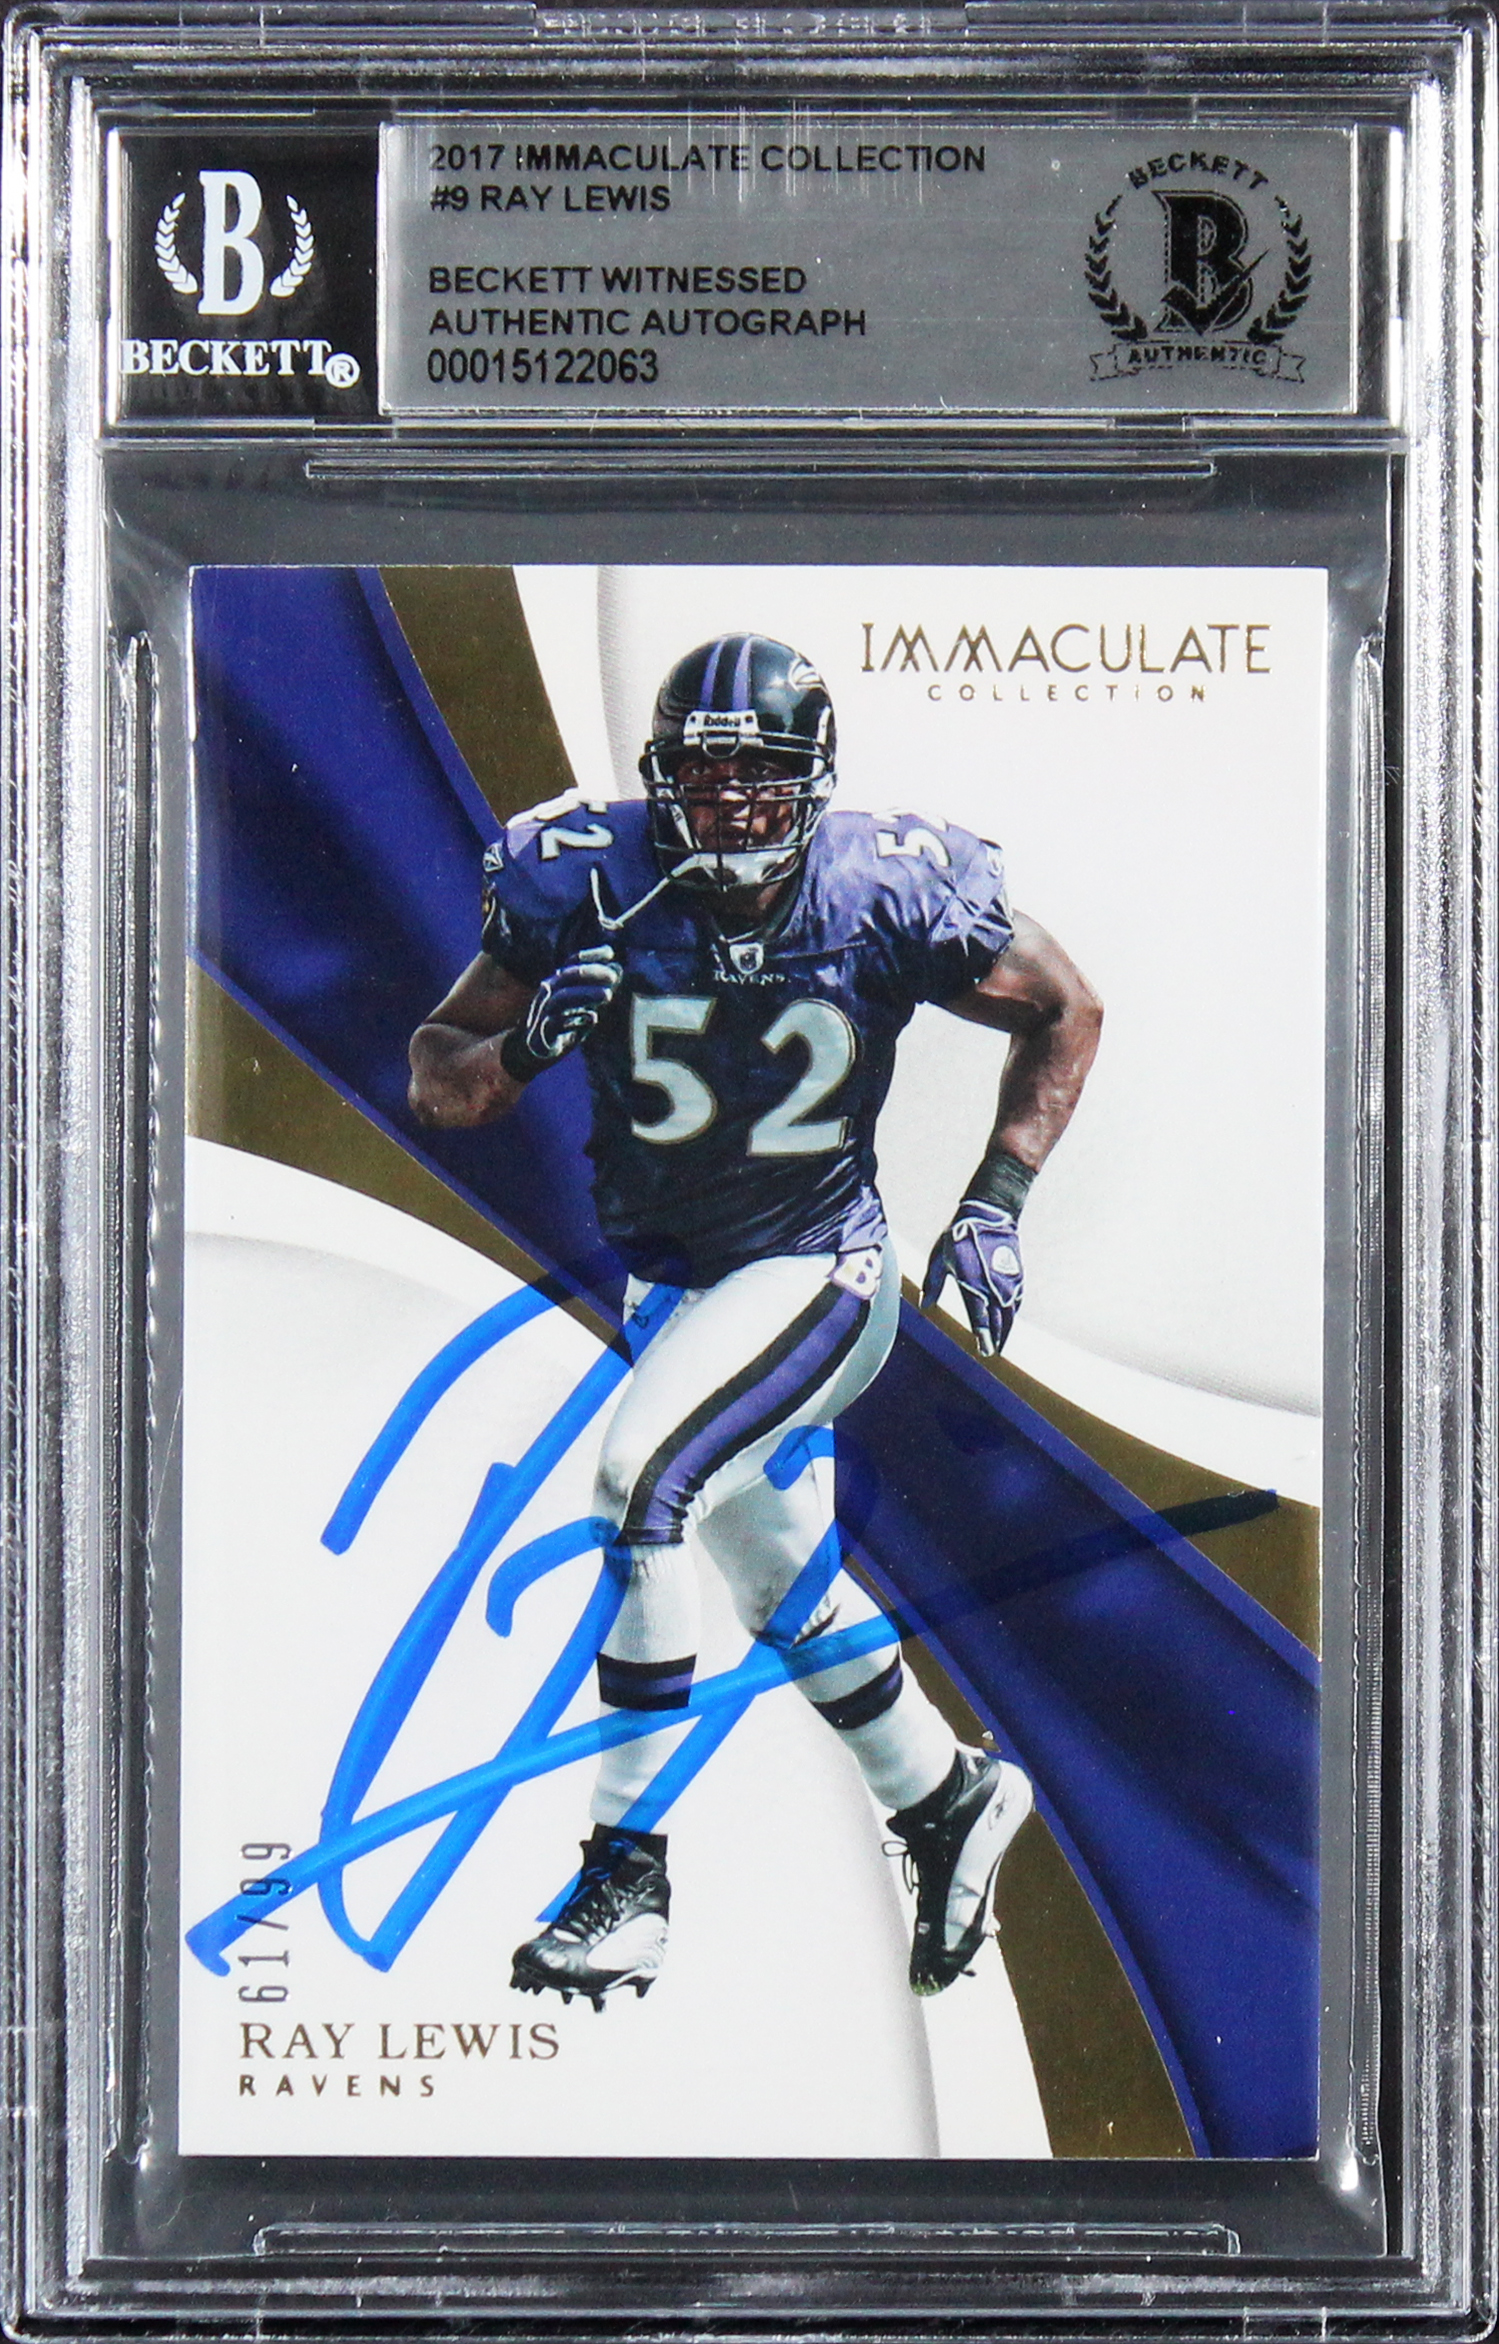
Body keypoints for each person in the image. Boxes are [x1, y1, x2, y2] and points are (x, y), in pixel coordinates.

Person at [408, 633, 1102, 2011]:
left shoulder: (884, 886)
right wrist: (528, 1045)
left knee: (640, 1485)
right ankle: (947, 1798)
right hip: (674, 1289)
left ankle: (625, 1876)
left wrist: (998, 1200)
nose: (728, 805)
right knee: (786, 1594)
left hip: (818, 1271)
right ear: (659, 776)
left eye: (758, 777)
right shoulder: (584, 877)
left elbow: (1065, 1007)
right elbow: (440, 1079)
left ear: (813, 782)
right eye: (703, 776)